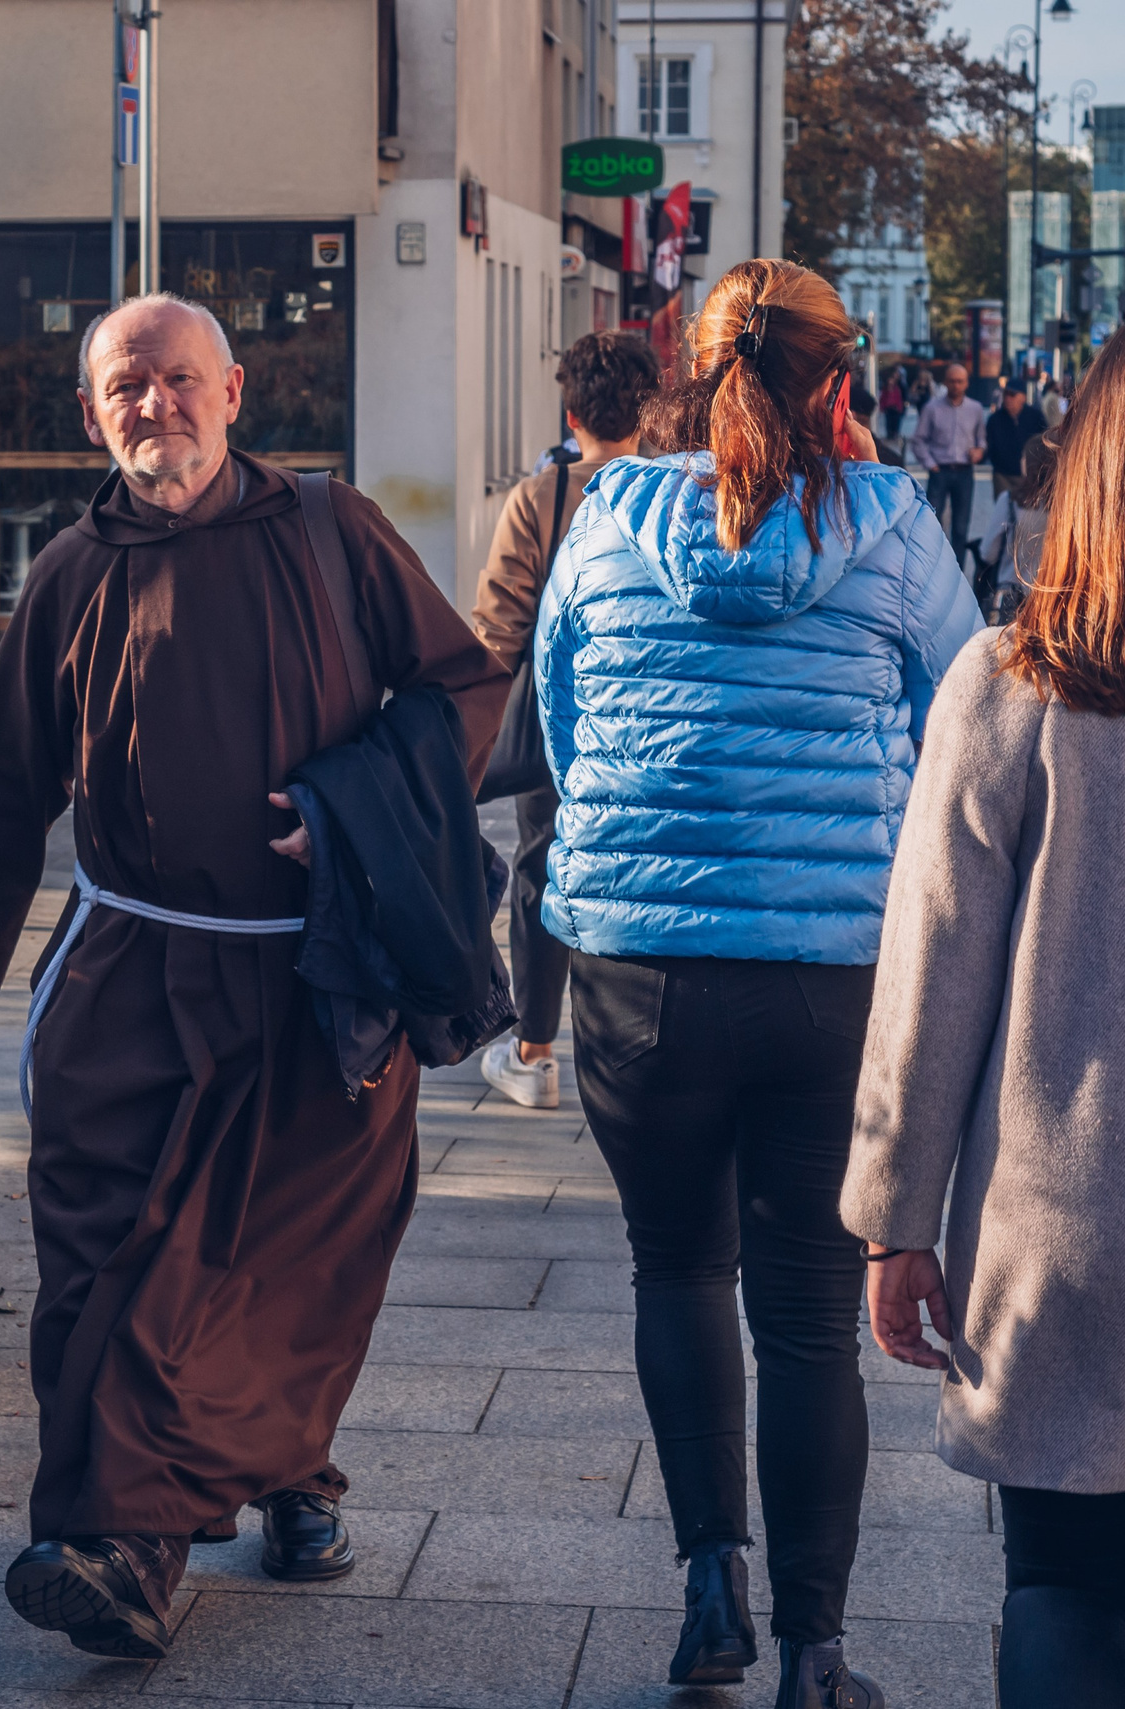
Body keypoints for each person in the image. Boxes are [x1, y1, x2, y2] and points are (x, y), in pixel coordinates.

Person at [0, 293, 506, 1659]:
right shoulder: (68, 571)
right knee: (105, 1260)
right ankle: (121, 1535)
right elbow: (2, 784)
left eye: (179, 380)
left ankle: (200, 1514)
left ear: (233, 390)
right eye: (128, 385)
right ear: (88, 412)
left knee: (266, 1266)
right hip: (128, 972)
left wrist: (354, 811)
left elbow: (461, 690)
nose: (155, 406)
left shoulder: (332, 531)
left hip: (317, 977)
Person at [535, 259, 981, 1707]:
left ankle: (709, 1589)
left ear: (683, 371)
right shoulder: (897, 526)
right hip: (828, 972)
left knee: (676, 1267)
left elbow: (561, 716)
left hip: (635, 966)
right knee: (805, 1315)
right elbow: (964, 733)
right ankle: (816, 1655)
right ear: (841, 386)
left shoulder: (607, 515)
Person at [843, 330, 1125, 1708]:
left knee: (1063, 1582)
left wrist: (897, 1218)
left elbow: (931, 973)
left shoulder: (1015, 686)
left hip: (1058, 1233)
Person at [471, 331, 659, 1109]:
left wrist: (462, 736)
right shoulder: (678, 491)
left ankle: (536, 1051)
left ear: (570, 411)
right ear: (653, 408)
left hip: (563, 724)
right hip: (654, 718)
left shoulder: (543, 497)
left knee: (543, 869)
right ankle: (645, 1041)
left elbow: (497, 631)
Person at [910, 361, 988, 575]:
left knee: (961, 527)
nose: (956, 385)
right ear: (946, 382)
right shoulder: (932, 408)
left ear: (966, 383)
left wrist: (979, 451)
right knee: (933, 523)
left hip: (964, 471)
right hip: (940, 471)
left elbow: (981, 438)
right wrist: (930, 464)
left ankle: (957, 573)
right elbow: (918, 440)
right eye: (952, 381)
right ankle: (933, 569)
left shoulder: (975, 409)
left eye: (960, 381)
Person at [976, 435, 1056, 623]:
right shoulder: (1063, 505)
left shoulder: (1010, 501)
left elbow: (988, 553)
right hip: (1050, 600)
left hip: (1012, 597)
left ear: (1028, 463)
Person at [984, 381, 1046, 502]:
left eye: (1012, 395)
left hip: (1029, 476)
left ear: (1023, 397)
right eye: (1006, 394)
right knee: (1004, 510)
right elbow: (989, 444)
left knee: (1027, 513)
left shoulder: (1035, 416)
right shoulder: (995, 419)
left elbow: (1043, 440)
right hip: (1003, 474)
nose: (1008, 398)